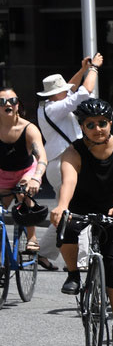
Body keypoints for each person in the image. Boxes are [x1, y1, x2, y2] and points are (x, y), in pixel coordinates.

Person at [49, 99, 113, 346]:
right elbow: (68, 182)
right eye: (90, 125)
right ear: (82, 127)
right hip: (81, 206)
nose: (97, 129)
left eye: (102, 123)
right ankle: (73, 274)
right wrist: (62, 206)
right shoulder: (73, 152)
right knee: (66, 227)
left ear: (110, 123)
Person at [36, 55, 103, 269]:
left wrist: (82, 70)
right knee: (79, 208)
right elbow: (83, 92)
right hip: (64, 164)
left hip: (60, 164)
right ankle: (80, 260)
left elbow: (72, 89)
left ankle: (44, 253)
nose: (68, 91)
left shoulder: (50, 105)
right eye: (63, 90)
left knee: (66, 212)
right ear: (56, 94)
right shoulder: (55, 108)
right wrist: (94, 68)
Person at [0, 88, 48, 252]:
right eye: (2, 102)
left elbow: (42, 157)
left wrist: (36, 178)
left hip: (26, 171)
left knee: (23, 193)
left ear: (18, 104)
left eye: (12, 101)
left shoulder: (29, 128)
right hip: (3, 174)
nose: (8, 104)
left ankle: (32, 238)